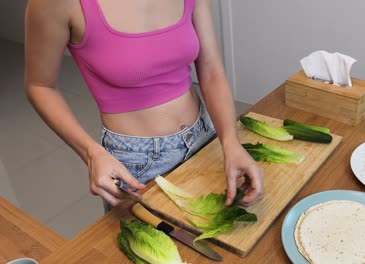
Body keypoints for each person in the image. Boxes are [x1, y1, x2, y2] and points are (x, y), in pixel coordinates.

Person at [24, 0, 264, 212]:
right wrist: (91, 153)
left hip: (204, 137)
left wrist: (230, 141)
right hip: (137, 163)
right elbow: (40, 86)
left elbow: (211, 68)